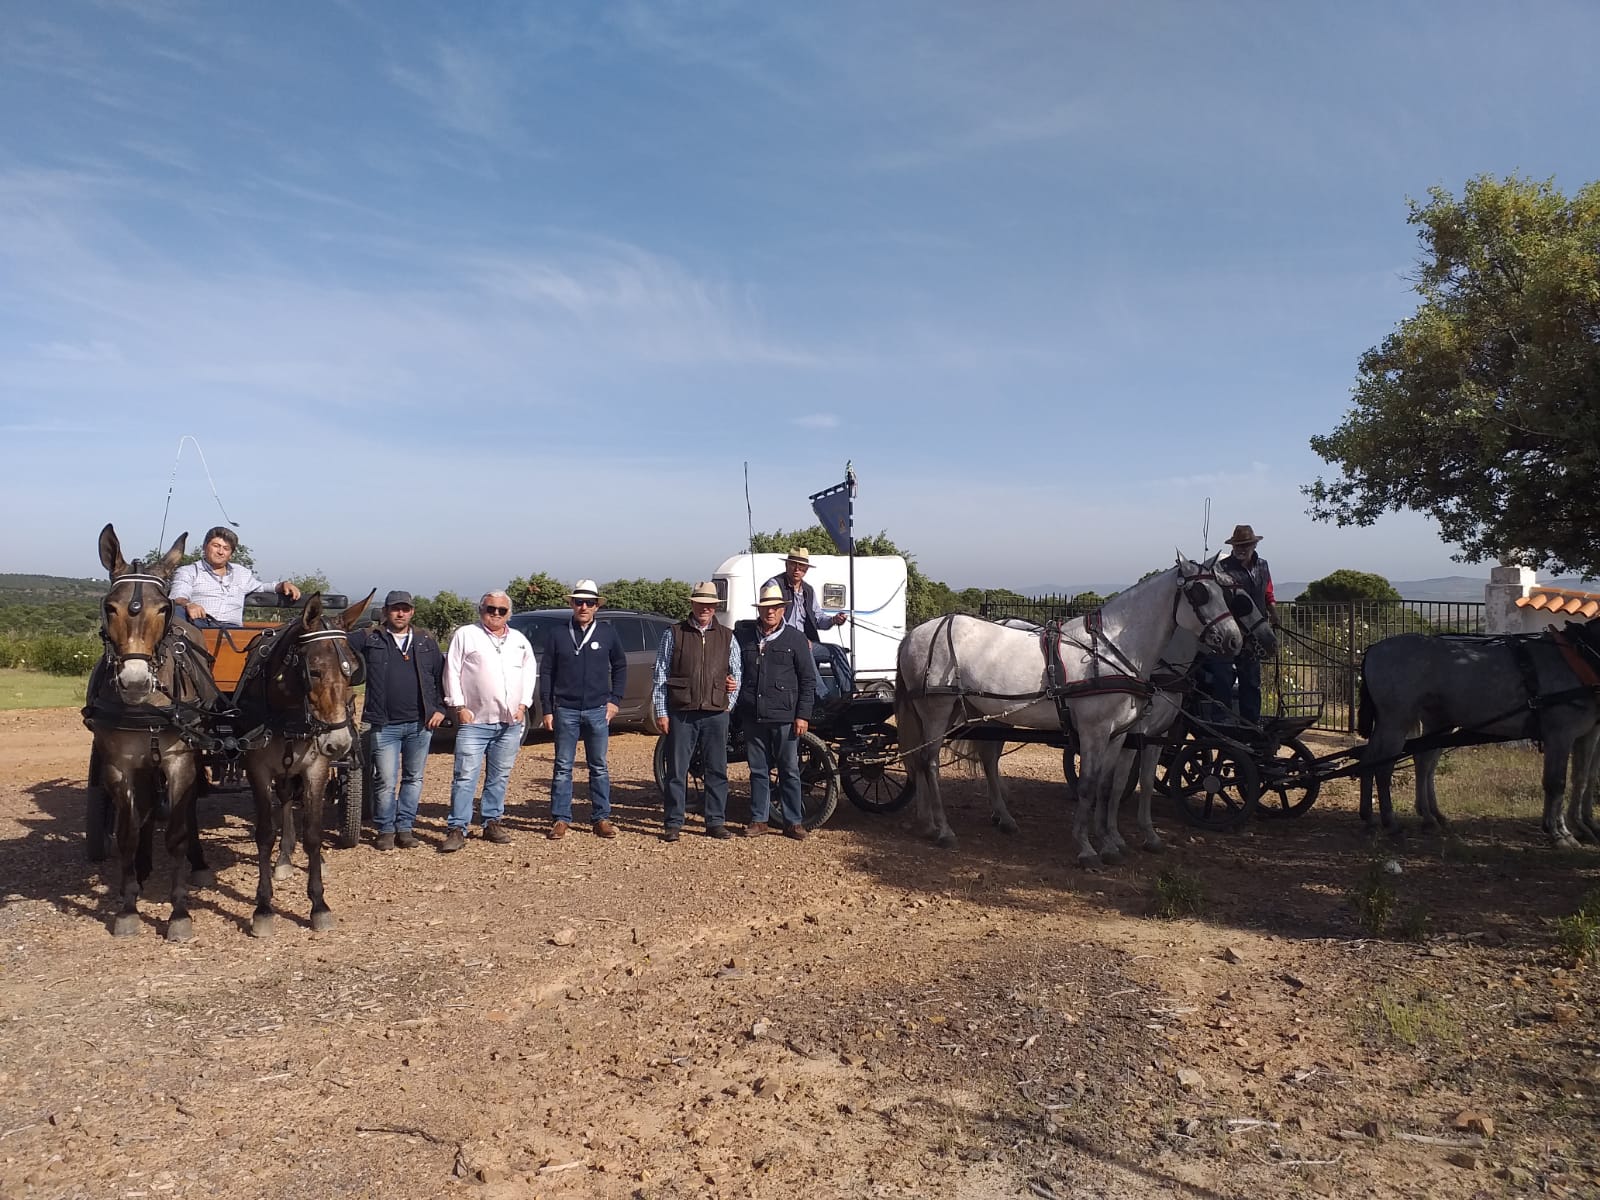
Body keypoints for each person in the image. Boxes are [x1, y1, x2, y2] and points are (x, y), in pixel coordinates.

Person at [440, 591, 537, 852]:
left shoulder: (518, 640)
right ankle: (457, 828)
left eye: (501, 610)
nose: (495, 613)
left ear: (509, 614)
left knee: (499, 776)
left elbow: (529, 672)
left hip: (508, 723)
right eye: (490, 608)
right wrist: (458, 706)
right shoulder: (466, 634)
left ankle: (491, 821)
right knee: (464, 776)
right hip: (474, 721)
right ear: (481, 609)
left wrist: (523, 704)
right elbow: (452, 670)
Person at [349, 591, 445, 851]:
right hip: (384, 724)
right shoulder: (370, 637)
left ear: (412, 611)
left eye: (405, 609)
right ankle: (385, 829)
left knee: (414, 778)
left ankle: (405, 828)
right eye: (395, 609)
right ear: (386, 612)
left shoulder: (425, 640)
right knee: (385, 780)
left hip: (419, 724)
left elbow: (440, 676)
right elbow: (337, 644)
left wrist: (439, 708)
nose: (400, 614)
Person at [651, 581, 741, 842]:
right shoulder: (674, 633)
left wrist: (728, 705)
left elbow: (737, 673)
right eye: (701, 603)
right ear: (692, 604)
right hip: (682, 711)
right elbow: (659, 674)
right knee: (677, 770)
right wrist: (661, 711)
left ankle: (715, 822)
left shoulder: (727, 635)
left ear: (715, 607)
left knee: (717, 770)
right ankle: (673, 823)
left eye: (710, 604)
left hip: (715, 713)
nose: (705, 608)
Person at [538, 579, 627, 840]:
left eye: (589, 602)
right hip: (565, 708)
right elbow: (546, 672)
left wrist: (615, 700)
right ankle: (561, 819)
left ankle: (601, 818)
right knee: (563, 766)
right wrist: (547, 708)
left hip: (598, 709)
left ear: (597, 606)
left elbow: (620, 666)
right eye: (579, 602)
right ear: (572, 604)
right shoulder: (557, 633)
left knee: (598, 766)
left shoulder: (608, 633)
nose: (584, 607)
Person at [734, 583, 818, 840]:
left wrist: (803, 715)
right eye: (765, 608)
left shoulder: (795, 639)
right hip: (753, 714)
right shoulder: (745, 637)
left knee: (789, 769)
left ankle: (793, 822)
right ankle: (759, 819)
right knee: (758, 769)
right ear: (759, 610)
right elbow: (735, 669)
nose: (769, 612)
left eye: (775, 608)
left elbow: (808, 680)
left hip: (784, 715)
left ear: (783, 610)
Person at [1198, 524, 1276, 723]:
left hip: (1254, 632)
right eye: (1237, 545)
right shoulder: (1223, 569)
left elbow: (1267, 592)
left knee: (1251, 680)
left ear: (1254, 545)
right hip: (1228, 632)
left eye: (1245, 545)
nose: (1240, 549)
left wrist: (1273, 612)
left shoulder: (1263, 566)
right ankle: (1221, 720)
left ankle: (1251, 722)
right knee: (1222, 677)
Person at [169, 526, 300, 628]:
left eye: (226, 548)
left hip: (232, 629)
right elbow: (178, 596)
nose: (220, 552)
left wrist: (282, 585)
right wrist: (189, 605)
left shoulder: (242, 573)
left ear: (230, 554)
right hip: (199, 626)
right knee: (174, 614)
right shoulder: (189, 571)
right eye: (216, 546)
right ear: (205, 547)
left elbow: (262, 586)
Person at [764, 547, 850, 699]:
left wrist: (833, 620)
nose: (797, 569)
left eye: (801, 566)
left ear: (806, 570)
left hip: (806, 643)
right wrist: (800, 638)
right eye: (793, 565)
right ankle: (823, 697)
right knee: (804, 648)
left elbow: (818, 618)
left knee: (837, 651)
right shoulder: (775, 585)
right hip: (783, 642)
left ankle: (849, 693)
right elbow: (773, 616)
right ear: (787, 565)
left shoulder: (808, 590)